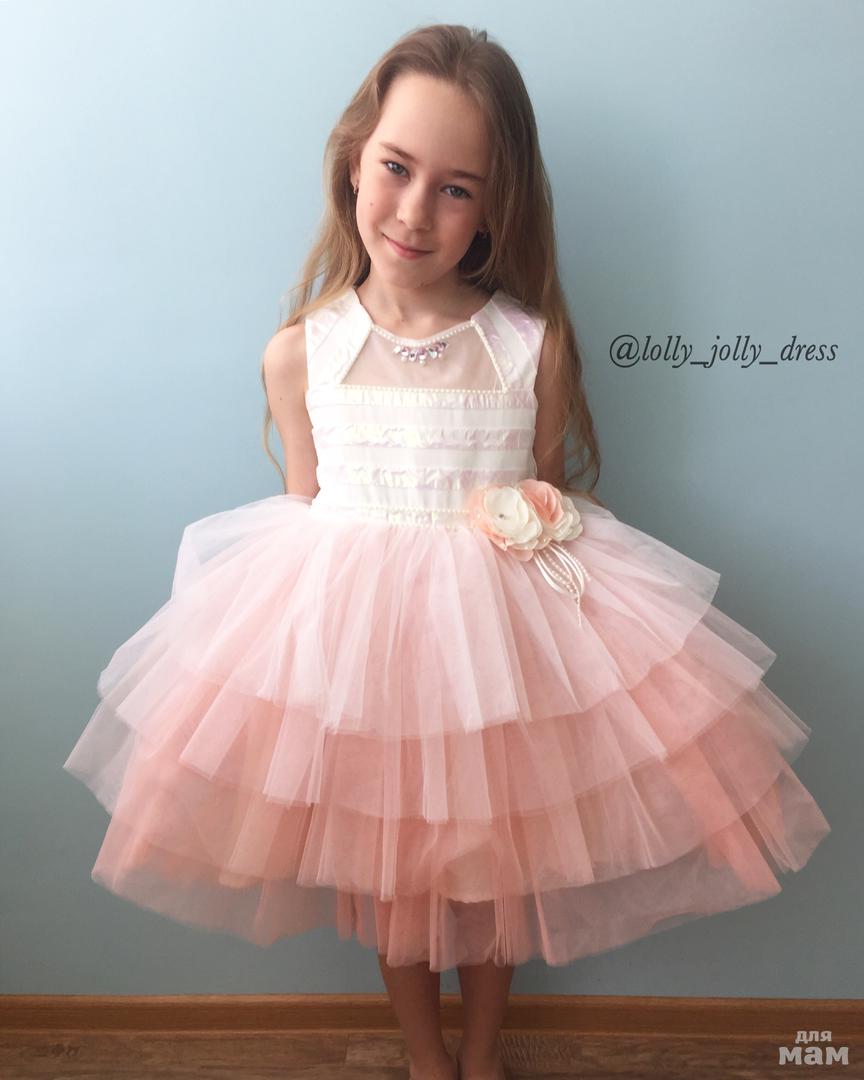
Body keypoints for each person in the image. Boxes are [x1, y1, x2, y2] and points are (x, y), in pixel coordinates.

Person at [63, 23, 831, 1080]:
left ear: (496, 207)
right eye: (396, 167)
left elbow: (545, 498)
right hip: (362, 662)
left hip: (499, 663)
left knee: (493, 867)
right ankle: (426, 1058)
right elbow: (304, 515)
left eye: (456, 188)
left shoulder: (527, 347)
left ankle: (481, 1053)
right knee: (393, 876)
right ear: (354, 160)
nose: (415, 211)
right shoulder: (303, 354)